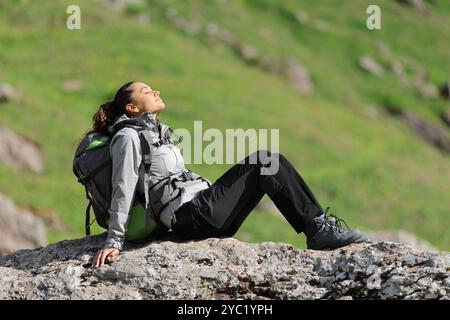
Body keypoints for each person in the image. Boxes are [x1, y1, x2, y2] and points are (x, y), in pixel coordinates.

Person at [91, 81, 367, 268]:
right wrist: (115, 240)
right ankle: (317, 230)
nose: (156, 91)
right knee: (265, 161)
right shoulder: (127, 137)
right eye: (147, 90)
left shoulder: (153, 132)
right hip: (189, 217)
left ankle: (317, 227)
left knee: (267, 163)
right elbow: (123, 186)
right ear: (132, 107)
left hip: (202, 212)